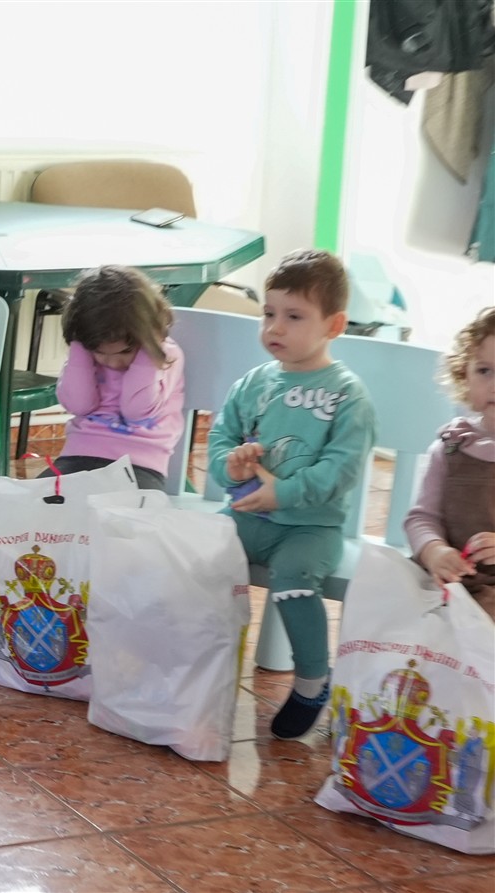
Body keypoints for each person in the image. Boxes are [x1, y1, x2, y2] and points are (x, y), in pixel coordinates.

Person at [207, 248, 376, 739]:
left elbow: (342, 469)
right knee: (199, 555)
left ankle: (311, 682)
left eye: (294, 316)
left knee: (294, 579)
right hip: (244, 515)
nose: (275, 327)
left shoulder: (347, 394)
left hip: (309, 527)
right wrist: (230, 464)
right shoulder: (252, 384)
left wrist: (283, 494)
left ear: (334, 325)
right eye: (269, 313)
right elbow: (220, 439)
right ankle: (200, 663)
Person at [46, 265, 184, 491]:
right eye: (100, 353)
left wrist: (150, 348)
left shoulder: (166, 355)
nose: (112, 362)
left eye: (124, 352)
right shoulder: (86, 348)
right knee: (34, 505)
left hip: (140, 464)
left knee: (121, 512)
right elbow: (79, 405)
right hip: (79, 455)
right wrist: (79, 345)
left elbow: (136, 410)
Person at [405, 306, 495, 616]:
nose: (494, 384)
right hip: (448, 582)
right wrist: (435, 551)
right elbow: (421, 518)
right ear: (464, 375)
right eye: (484, 370)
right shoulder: (452, 447)